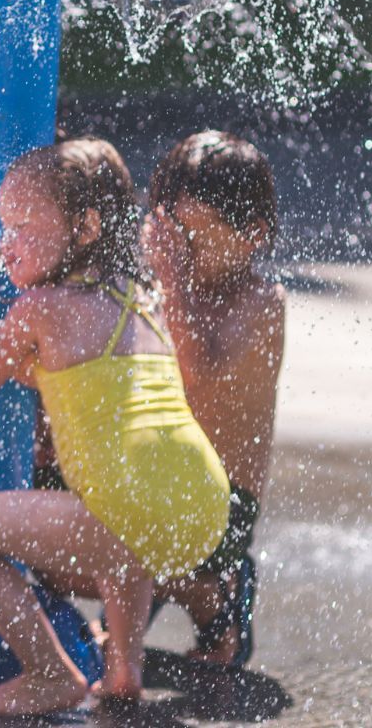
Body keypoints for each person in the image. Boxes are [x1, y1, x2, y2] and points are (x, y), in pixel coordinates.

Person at [0, 139, 232, 715]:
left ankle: (50, 674)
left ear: (86, 226)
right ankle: (124, 670)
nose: (7, 244)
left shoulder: (41, 307)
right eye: (2, 226)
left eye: (22, 227)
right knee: (126, 538)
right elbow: (51, 375)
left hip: (128, 512)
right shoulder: (140, 297)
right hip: (203, 507)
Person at [141, 131, 285, 668]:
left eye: (194, 240)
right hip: (158, 491)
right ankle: (146, 597)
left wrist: (172, 283)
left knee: (136, 554)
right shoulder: (164, 292)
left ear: (253, 235)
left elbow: (195, 376)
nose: (181, 255)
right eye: (170, 237)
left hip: (221, 509)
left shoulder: (262, 302)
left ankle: (218, 598)